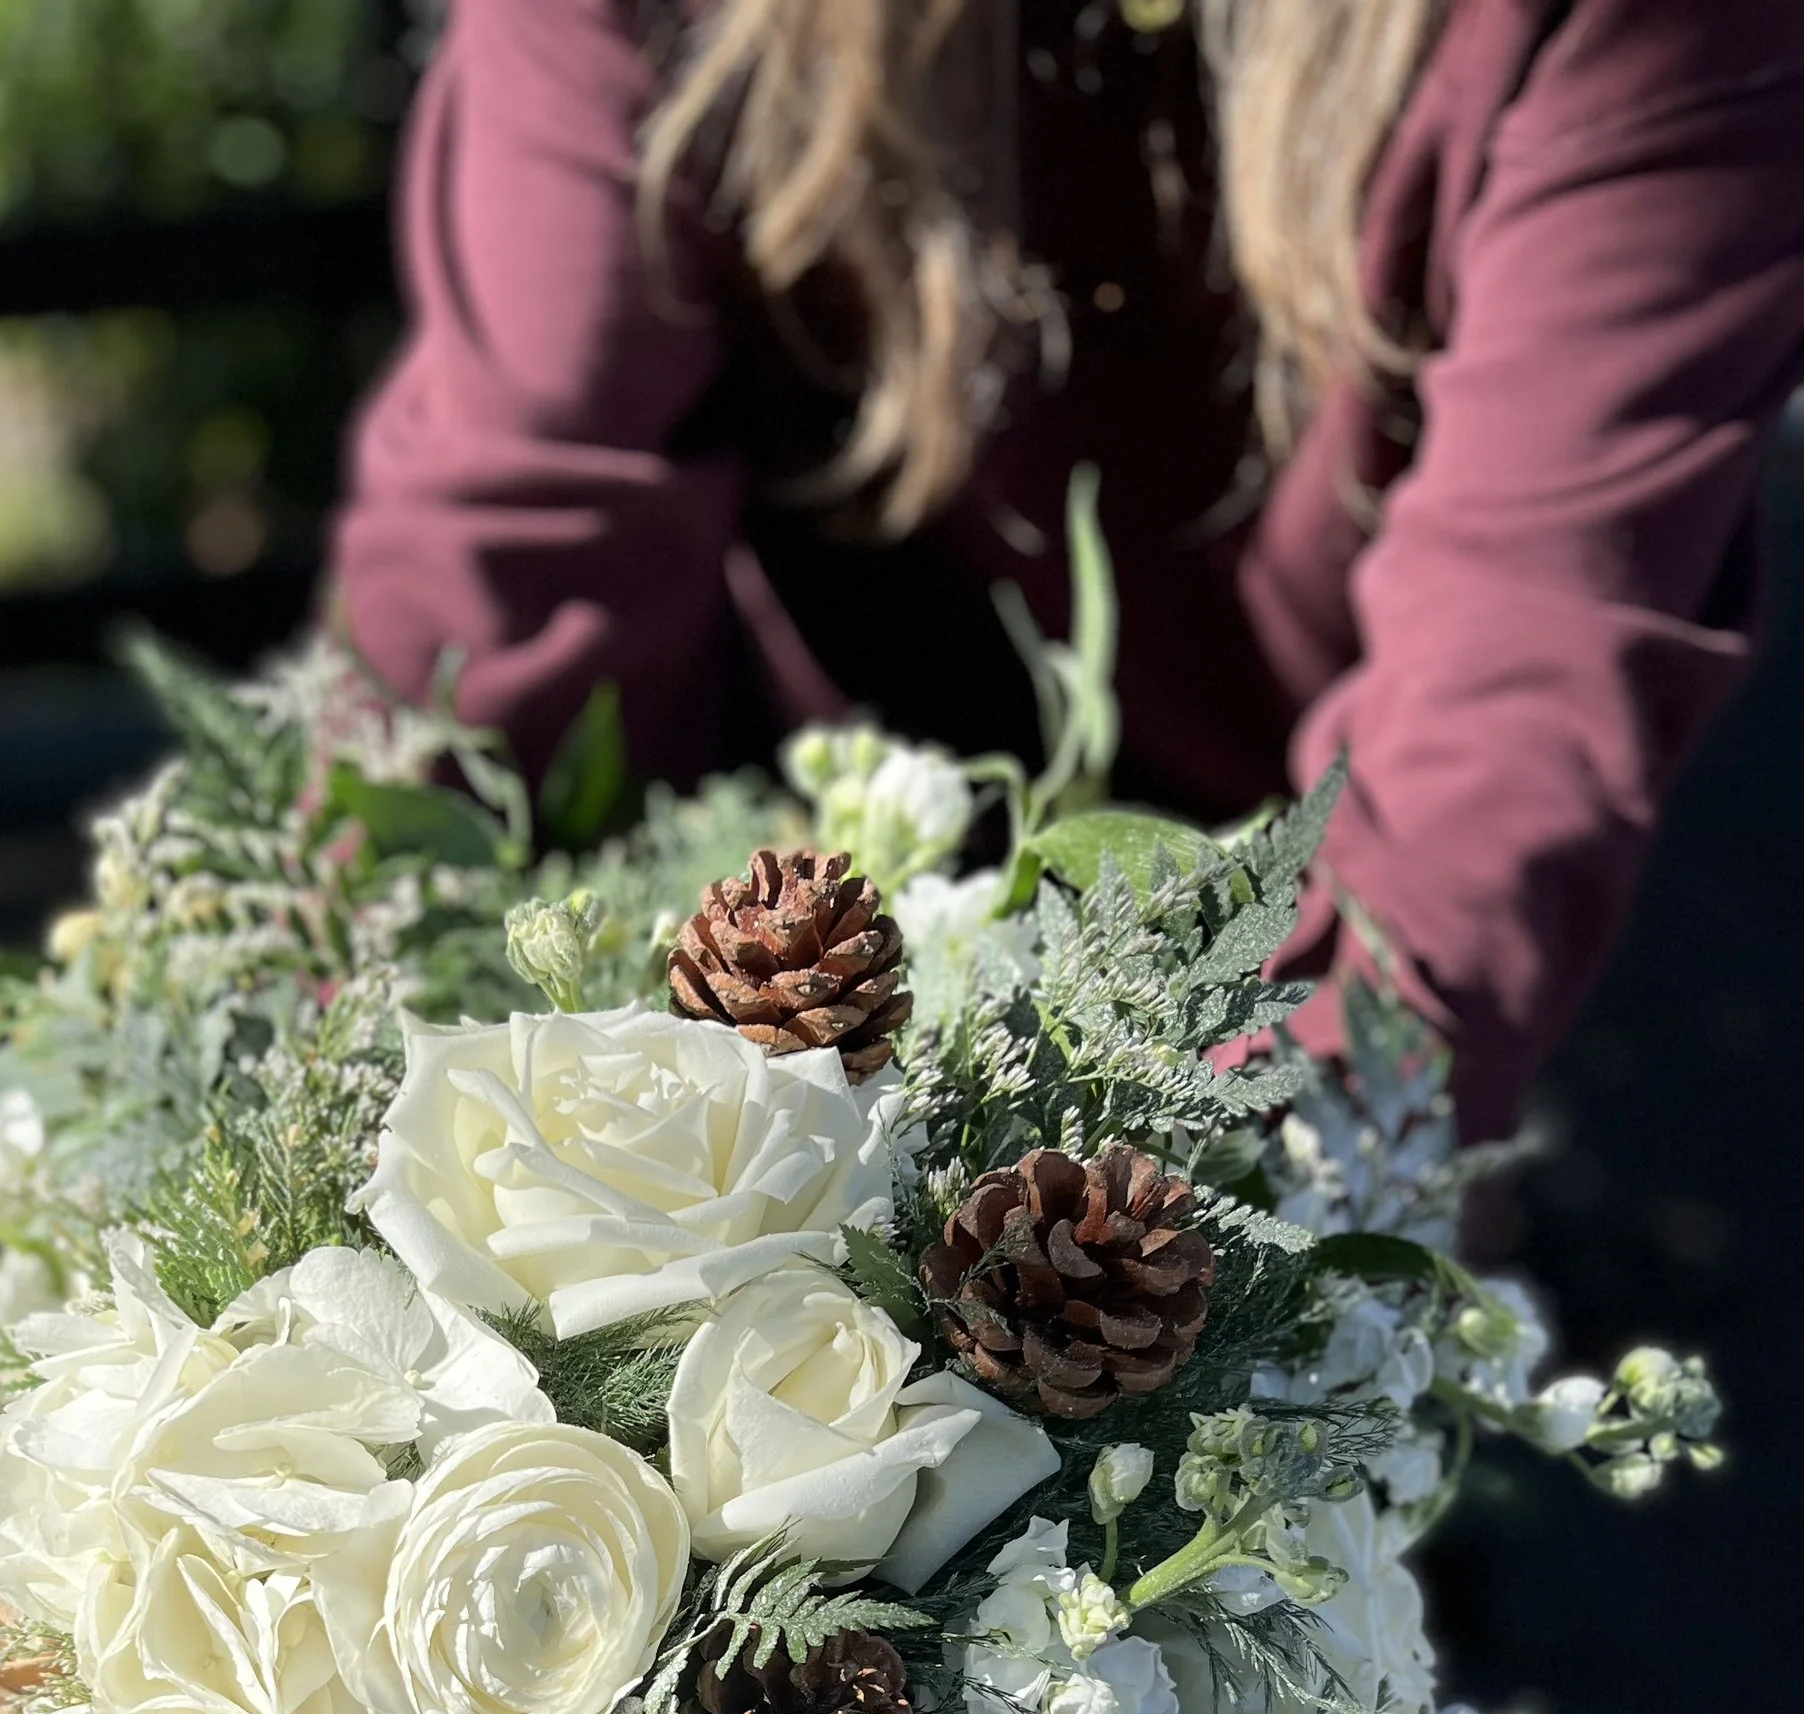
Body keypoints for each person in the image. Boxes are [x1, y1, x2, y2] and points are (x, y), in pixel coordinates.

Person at [330, 0, 1804, 1135]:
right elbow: (504, 550)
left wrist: (1236, 1257)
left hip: (1302, 920)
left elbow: (1511, 705)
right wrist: (344, 1086)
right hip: (785, 876)